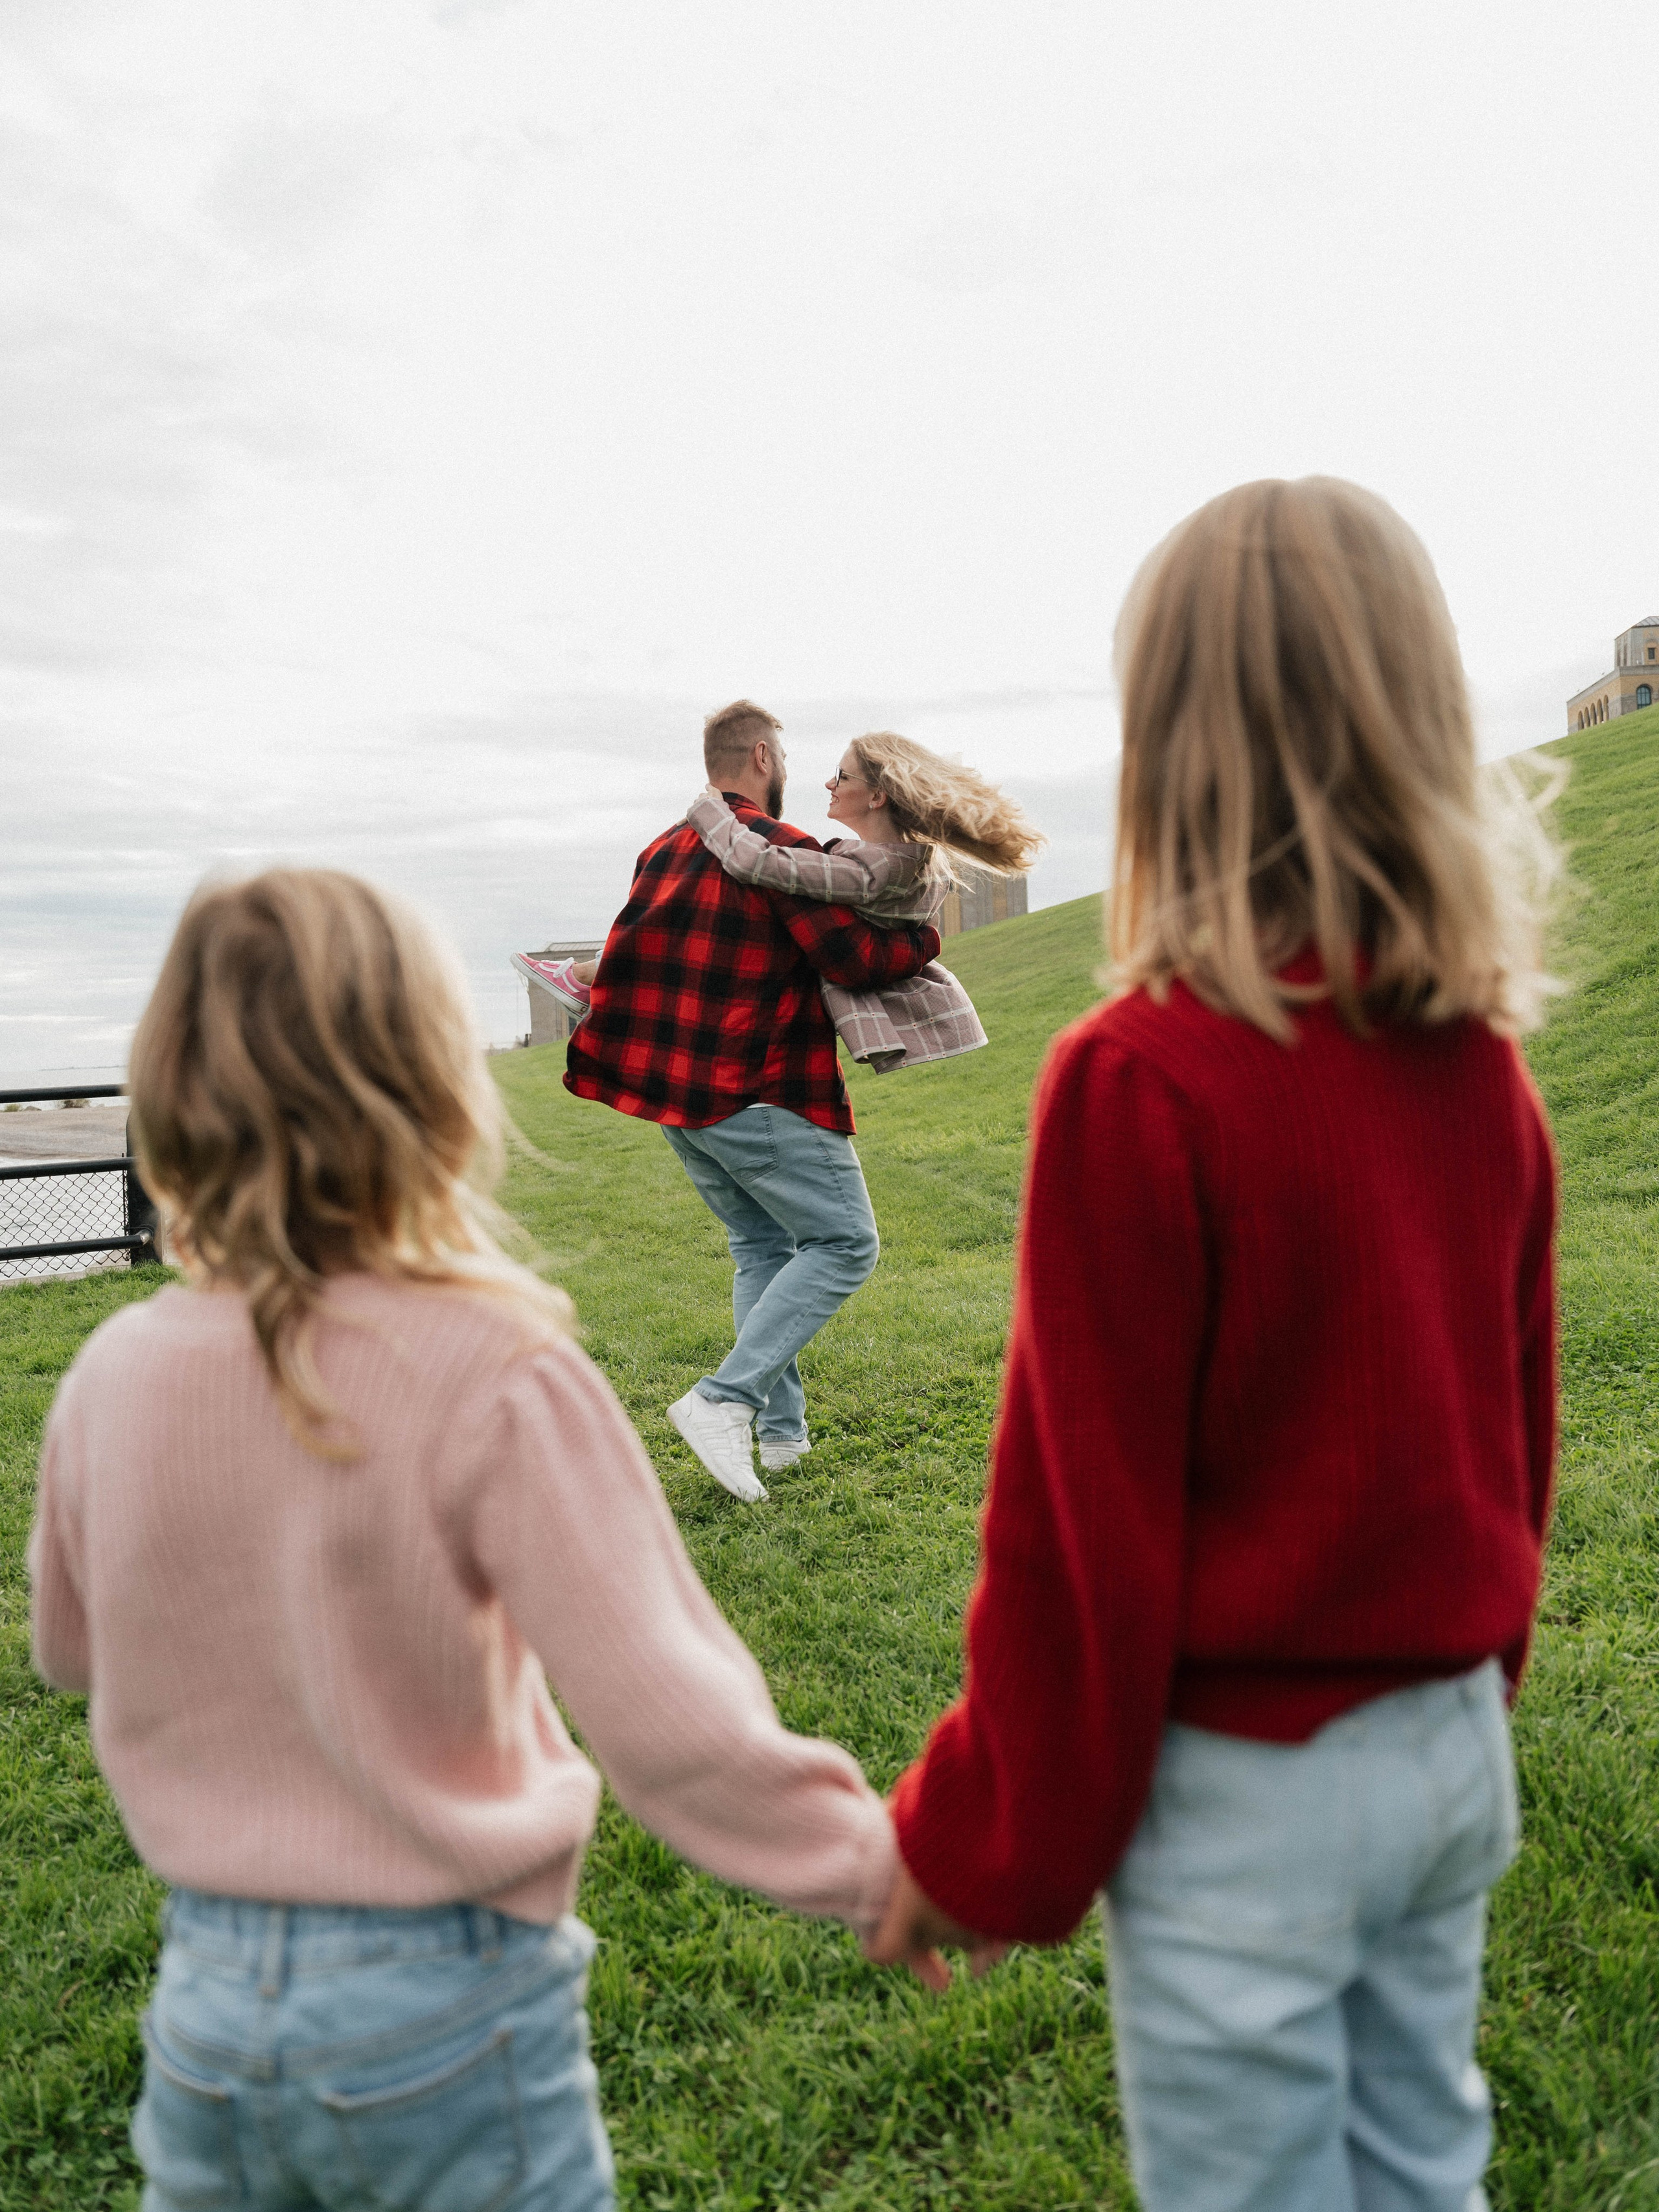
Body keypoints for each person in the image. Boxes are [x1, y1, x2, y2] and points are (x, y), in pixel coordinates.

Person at [868, 478, 1562, 2212]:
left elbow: (1075, 1541)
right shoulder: (1478, 1062)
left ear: (1165, 748)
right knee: (1426, 2163)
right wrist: (1474, 1680)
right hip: (1449, 1739)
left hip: (1255, 1800)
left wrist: (981, 1837)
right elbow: (1516, 1432)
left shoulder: (1141, 1080)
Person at [28, 869, 899, 2212]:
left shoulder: (112, 1368)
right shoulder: (494, 1365)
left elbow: (70, 1650)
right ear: (431, 1080)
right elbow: (672, 1719)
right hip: (443, 2009)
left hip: (203, 2009)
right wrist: (869, 1865)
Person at [564, 700, 941, 1504]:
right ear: (764, 756)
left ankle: (780, 1436)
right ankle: (722, 1400)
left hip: (678, 1102)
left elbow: (629, 961)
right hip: (762, 1085)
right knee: (844, 1243)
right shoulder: (771, 850)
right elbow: (856, 956)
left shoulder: (661, 849)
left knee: (761, 1248)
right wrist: (925, 937)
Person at [680, 731, 1041, 1072]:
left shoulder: (871, 871)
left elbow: (755, 862)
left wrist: (710, 812)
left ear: (877, 797)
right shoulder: (917, 863)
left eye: (843, 777)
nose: (830, 784)